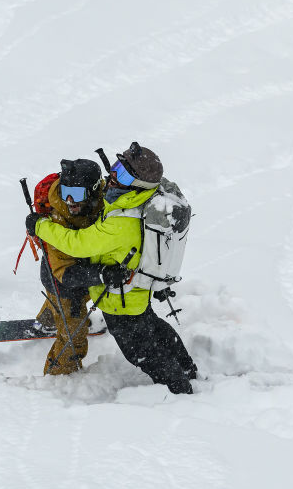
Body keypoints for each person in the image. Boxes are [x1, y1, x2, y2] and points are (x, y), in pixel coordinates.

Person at [27, 143, 198, 394]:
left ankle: (178, 387)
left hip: (119, 298)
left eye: (126, 175)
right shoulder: (142, 201)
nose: (115, 176)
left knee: (140, 352)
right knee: (152, 327)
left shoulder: (121, 221)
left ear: (139, 185)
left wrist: (39, 227)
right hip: (136, 291)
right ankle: (187, 369)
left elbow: (77, 244)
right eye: (117, 167)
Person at [33, 158, 107, 375]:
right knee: (73, 340)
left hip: (85, 271)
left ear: (94, 190)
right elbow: (64, 271)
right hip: (63, 281)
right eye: (65, 191)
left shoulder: (105, 201)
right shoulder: (58, 216)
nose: (69, 200)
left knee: (61, 306)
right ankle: (58, 379)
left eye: (76, 194)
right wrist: (103, 275)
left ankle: (49, 319)